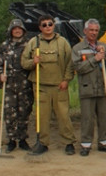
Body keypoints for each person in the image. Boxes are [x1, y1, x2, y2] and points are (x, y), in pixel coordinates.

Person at [21, 14, 77, 155]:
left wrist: (66, 80)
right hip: (41, 86)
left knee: (63, 115)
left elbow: (70, 63)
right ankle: (42, 143)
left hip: (59, 86)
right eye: (44, 25)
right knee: (42, 116)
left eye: (50, 24)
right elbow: (24, 63)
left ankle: (69, 143)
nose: (47, 27)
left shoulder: (63, 42)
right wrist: (32, 62)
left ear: (54, 25)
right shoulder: (33, 42)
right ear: (40, 27)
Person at [72, 18, 106, 156]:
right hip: (87, 88)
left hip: (102, 88)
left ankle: (103, 142)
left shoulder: (104, 46)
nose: (93, 33)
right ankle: (86, 145)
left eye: (96, 30)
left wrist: (105, 55)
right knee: (87, 118)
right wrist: (94, 59)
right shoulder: (78, 48)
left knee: (104, 117)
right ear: (85, 31)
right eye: (91, 30)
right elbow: (77, 67)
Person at [0, 19, 34, 152]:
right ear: (11, 31)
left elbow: (31, 63)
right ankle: (11, 140)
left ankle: (22, 139)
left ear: (23, 30)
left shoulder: (29, 44)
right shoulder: (5, 46)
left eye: (19, 29)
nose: (17, 31)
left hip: (25, 84)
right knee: (10, 113)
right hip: (9, 85)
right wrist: (0, 75)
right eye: (14, 29)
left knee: (24, 112)